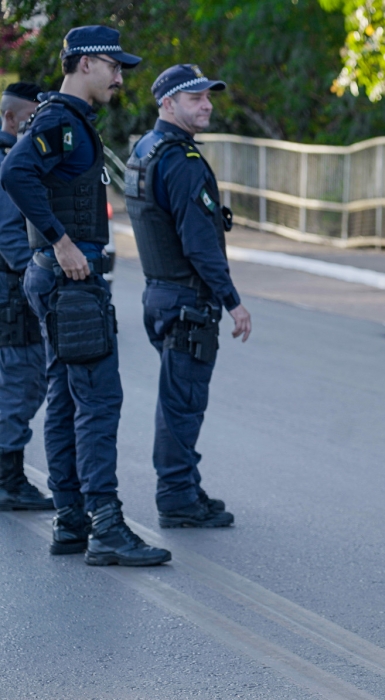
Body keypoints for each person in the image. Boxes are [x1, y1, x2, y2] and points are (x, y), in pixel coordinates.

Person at [0, 26, 170, 566]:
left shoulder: (69, 120)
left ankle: (72, 520)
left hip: (59, 280)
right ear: (86, 63)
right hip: (70, 281)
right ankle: (106, 526)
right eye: (114, 67)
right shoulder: (58, 120)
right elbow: (14, 172)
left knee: (67, 398)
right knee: (97, 401)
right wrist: (62, 240)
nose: (120, 77)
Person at [125, 64, 250, 529]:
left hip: (160, 293)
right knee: (182, 405)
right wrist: (232, 301)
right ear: (168, 103)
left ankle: (185, 486)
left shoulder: (146, 148)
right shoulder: (181, 161)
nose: (207, 105)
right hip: (185, 302)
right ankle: (177, 498)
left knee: (178, 398)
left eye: (208, 97)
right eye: (195, 98)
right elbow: (199, 244)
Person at [0, 82, 54, 512]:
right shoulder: (8, 161)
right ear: (10, 118)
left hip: (11, 289)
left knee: (21, 380)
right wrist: (36, 275)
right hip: (13, 291)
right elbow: (9, 234)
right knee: (22, 382)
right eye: (32, 118)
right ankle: (7, 480)